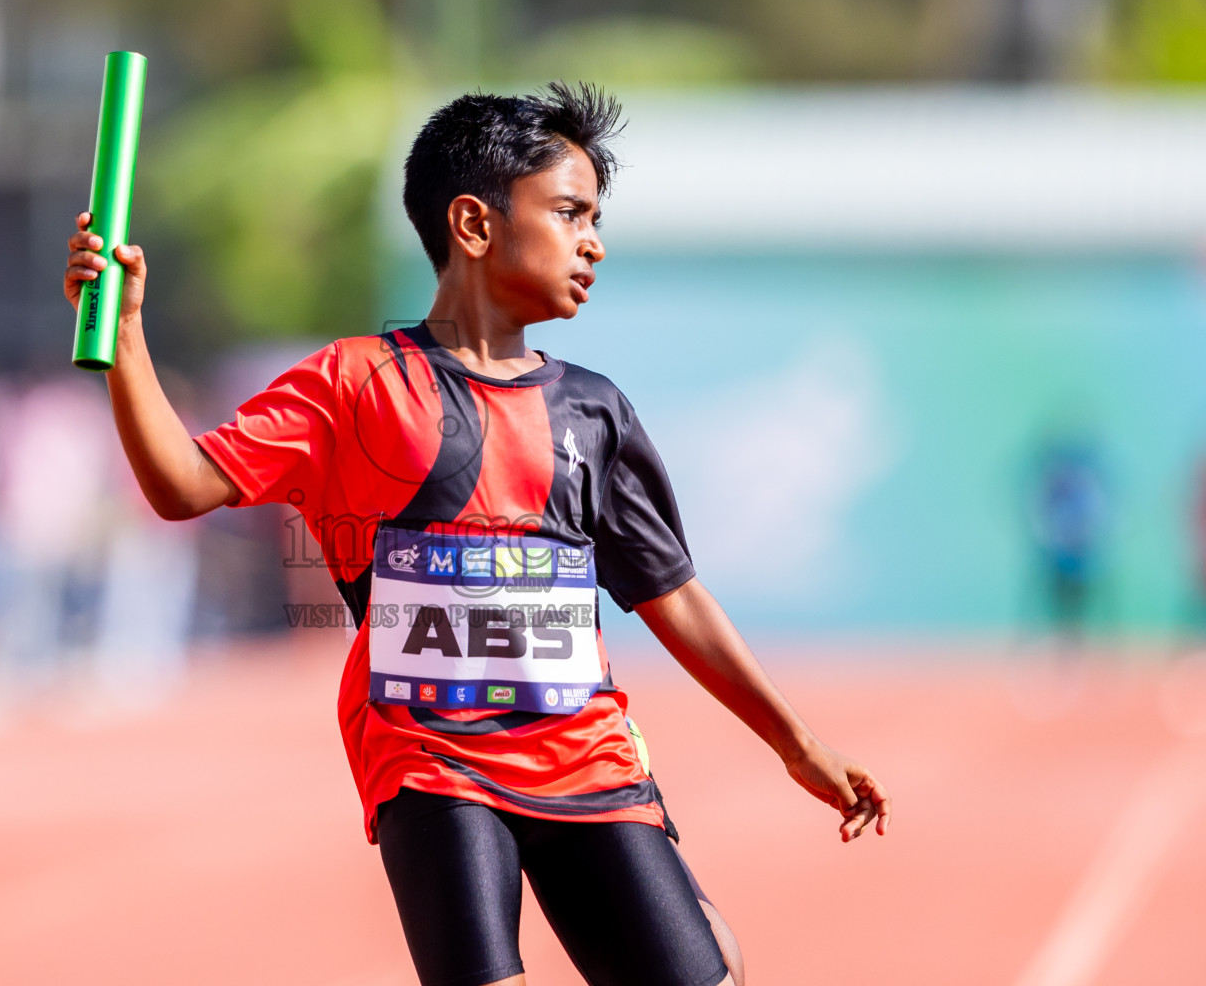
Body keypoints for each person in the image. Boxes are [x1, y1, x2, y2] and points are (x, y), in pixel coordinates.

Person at [64, 83, 891, 986]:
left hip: (587, 757)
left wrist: (798, 745)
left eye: (596, 219)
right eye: (570, 212)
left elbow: (674, 597)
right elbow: (182, 486)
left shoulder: (593, 411)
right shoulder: (354, 383)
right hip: (431, 759)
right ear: (473, 223)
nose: (594, 242)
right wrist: (130, 333)